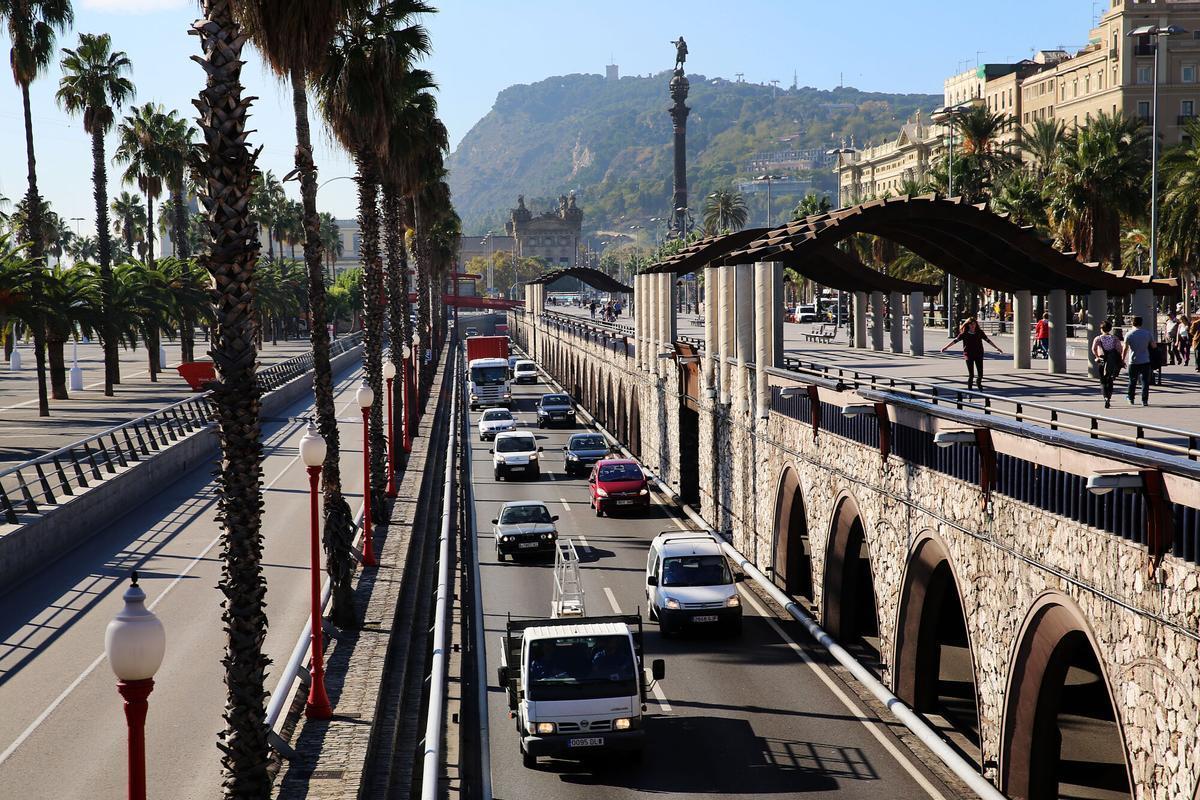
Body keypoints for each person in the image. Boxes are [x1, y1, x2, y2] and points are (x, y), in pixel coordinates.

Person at [940, 317, 1003, 391]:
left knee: (980, 374)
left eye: (974, 324)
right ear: (968, 325)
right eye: (971, 324)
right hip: (968, 354)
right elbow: (955, 341)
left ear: (976, 324)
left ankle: (978, 382)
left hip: (979, 354)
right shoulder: (964, 333)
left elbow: (988, 340)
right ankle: (969, 391)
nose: (973, 326)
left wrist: (997, 348)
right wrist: (946, 347)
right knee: (971, 375)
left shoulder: (980, 332)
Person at [1122, 315, 1157, 406]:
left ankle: (1131, 398)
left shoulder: (1129, 334)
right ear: (1141, 323)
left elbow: (1125, 349)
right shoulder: (1147, 333)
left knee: (1132, 381)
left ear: (1132, 323)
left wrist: (1122, 359)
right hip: (1145, 360)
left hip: (1133, 361)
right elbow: (1154, 346)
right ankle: (1144, 400)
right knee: (1145, 381)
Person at [1090, 320, 1123, 408]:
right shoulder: (1115, 338)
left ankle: (1105, 397)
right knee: (1110, 379)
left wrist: (1097, 356)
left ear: (1101, 329)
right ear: (1110, 329)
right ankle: (1109, 396)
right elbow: (1120, 349)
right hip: (1111, 361)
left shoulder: (1098, 338)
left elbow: (1093, 349)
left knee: (1103, 380)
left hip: (1102, 360)